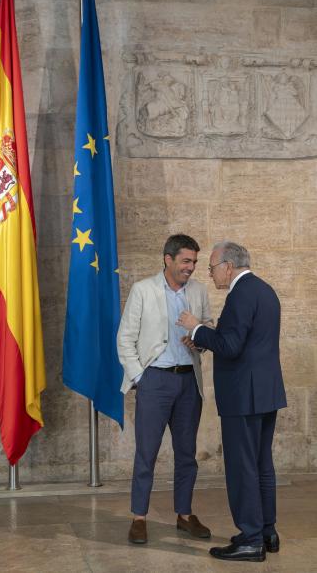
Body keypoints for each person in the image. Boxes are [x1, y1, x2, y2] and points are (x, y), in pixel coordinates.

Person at [178, 241, 287, 563]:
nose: (210, 274)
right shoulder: (264, 290)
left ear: (228, 265)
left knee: (242, 468)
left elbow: (231, 346)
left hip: (243, 396)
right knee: (262, 465)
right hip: (266, 393)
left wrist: (195, 327)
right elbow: (246, 342)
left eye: (211, 268)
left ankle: (250, 541)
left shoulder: (240, 294)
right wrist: (206, 336)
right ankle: (267, 531)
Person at [117, 234, 214, 545]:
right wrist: (141, 378)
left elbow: (209, 329)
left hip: (188, 381)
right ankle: (139, 517)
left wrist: (199, 339)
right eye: (186, 261)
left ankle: (184, 515)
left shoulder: (198, 291)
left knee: (187, 453)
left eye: (195, 262)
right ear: (168, 259)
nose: (191, 267)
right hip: (154, 381)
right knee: (147, 453)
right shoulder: (143, 290)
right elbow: (125, 338)